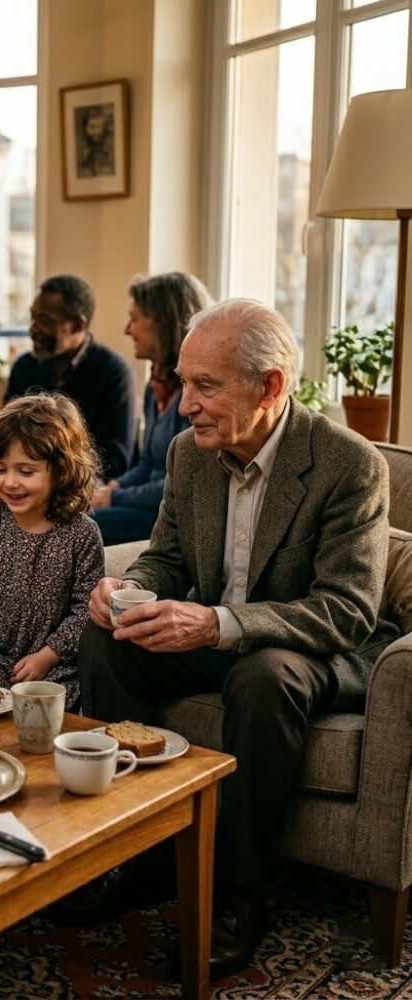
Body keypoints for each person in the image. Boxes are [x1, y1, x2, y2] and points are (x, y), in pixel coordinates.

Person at [72, 298, 399, 977]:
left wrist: (219, 623)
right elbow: (166, 558)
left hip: (312, 654)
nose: (183, 403)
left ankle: (239, 895)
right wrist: (126, 593)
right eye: (184, 381)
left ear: (271, 385)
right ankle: (129, 853)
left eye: (205, 386)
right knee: (106, 642)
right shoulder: (190, 455)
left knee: (264, 673)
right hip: (217, 641)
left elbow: (347, 610)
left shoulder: (350, 464)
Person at [0, 273, 137, 549]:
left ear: (77, 324)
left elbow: (117, 457)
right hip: (18, 473)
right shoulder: (25, 366)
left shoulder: (112, 371)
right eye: (33, 318)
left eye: (45, 320)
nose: (33, 328)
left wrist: (54, 477)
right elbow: (2, 435)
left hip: (71, 483)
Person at [0, 393, 104, 710]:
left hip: (52, 669)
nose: (10, 482)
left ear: (62, 470)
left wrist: (46, 656)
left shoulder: (83, 534)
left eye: (26, 472)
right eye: (0, 469)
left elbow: (85, 612)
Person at [90, 271, 211, 545]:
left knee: (80, 527)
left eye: (135, 318)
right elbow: (146, 465)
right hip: (146, 506)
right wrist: (112, 487)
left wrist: (115, 497)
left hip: (175, 516)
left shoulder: (195, 394)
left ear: (161, 322)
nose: (127, 329)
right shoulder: (153, 385)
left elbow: (183, 483)